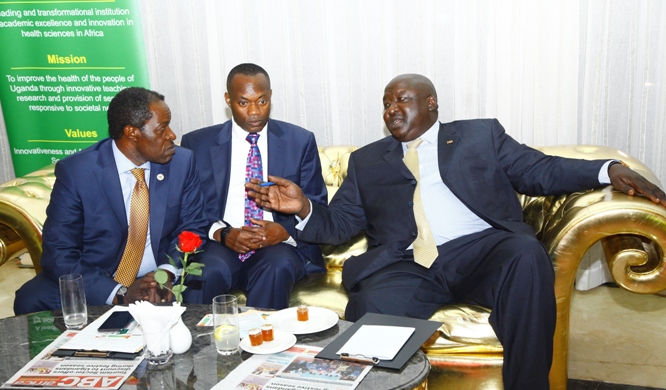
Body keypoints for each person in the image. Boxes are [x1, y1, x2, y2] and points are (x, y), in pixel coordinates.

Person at [246, 74, 666, 389]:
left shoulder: (478, 135)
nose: (392, 108)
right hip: (407, 263)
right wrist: (302, 207)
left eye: (402, 99)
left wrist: (609, 170)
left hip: (483, 251)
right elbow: (338, 225)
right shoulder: (368, 161)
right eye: (386, 103)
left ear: (431, 103)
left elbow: (541, 170)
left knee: (525, 254)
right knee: (372, 304)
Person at [14, 87, 209, 314]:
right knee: (31, 298)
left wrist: (165, 274)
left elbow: (193, 226)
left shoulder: (182, 162)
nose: (172, 135)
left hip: (158, 272)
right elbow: (59, 251)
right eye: (162, 128)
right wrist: (119, 293)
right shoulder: (78, 172)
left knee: (208, 275)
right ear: (132, 132)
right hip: (99, 276)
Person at [180, 63, 327, 308]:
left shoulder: (299, 141)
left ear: (271, 96)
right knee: (205, 272)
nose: (255, 112)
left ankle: (264, 344)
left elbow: (317, 203)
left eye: (262, 101)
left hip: (278, 245)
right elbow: (189, 207)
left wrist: (286, 230)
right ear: (228, 100)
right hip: (222, 242)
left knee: (276, 267)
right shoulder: (197, 144)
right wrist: (222, 233)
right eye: (243, 102)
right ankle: (201, 343)